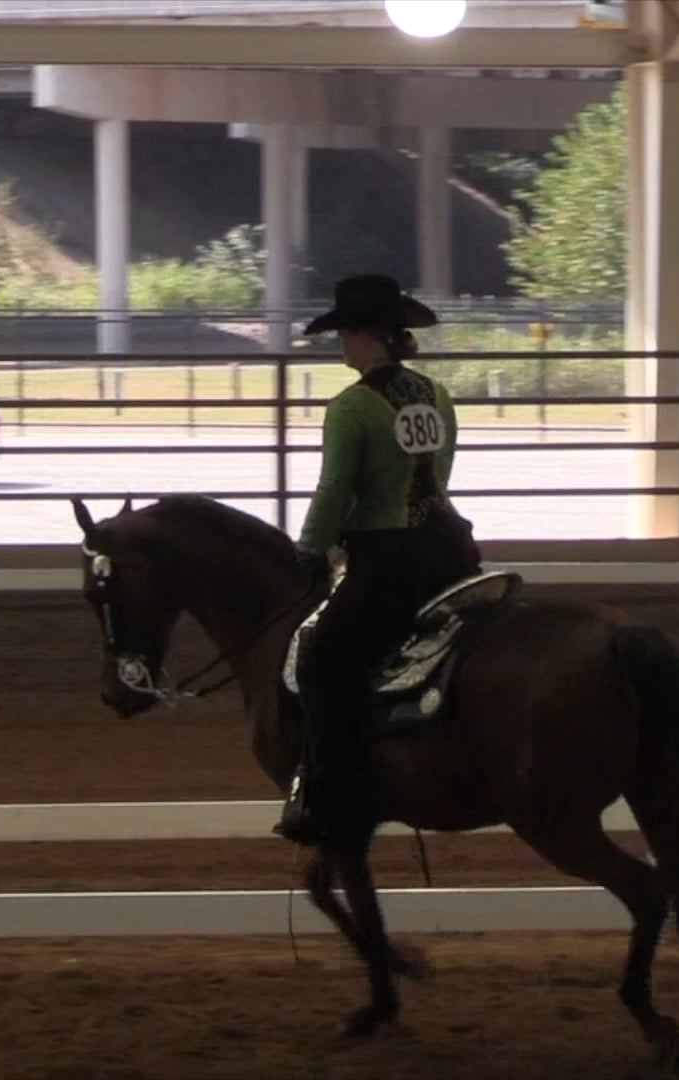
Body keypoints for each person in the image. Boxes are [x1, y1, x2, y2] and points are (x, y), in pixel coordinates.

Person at [275, 273, 484, 848]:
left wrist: (310, 549)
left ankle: (329, 792)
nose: (341, 344)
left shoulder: (350, 407)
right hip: (452, 550)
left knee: (320, 661)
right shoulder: (436, 396)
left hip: (391, 562)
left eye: (345, 333)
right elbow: (440, 475)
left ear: (368, 336)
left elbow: (335, 489)